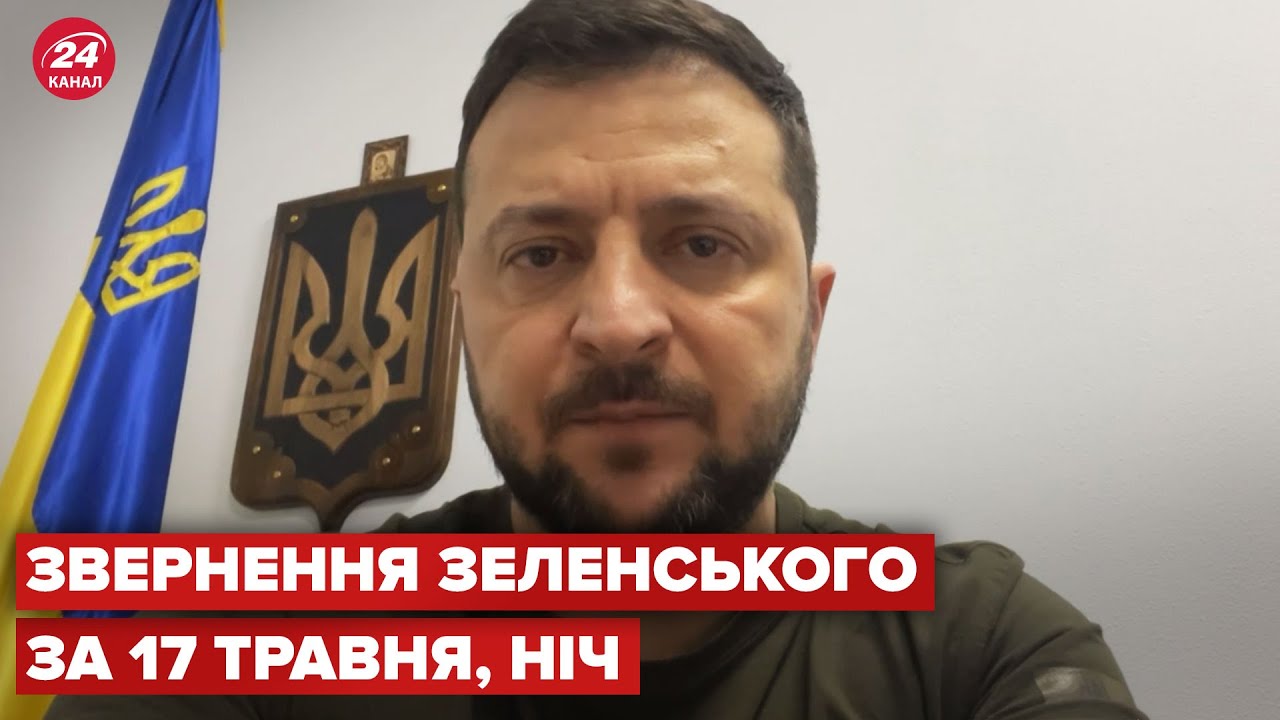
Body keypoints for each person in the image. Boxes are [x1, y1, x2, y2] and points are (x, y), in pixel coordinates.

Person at [46, 0, 1149, 718]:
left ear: (810, 317)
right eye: (540, 254)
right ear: (460, 316)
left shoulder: (974, 646)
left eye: (702, 244)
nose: (617, 322)